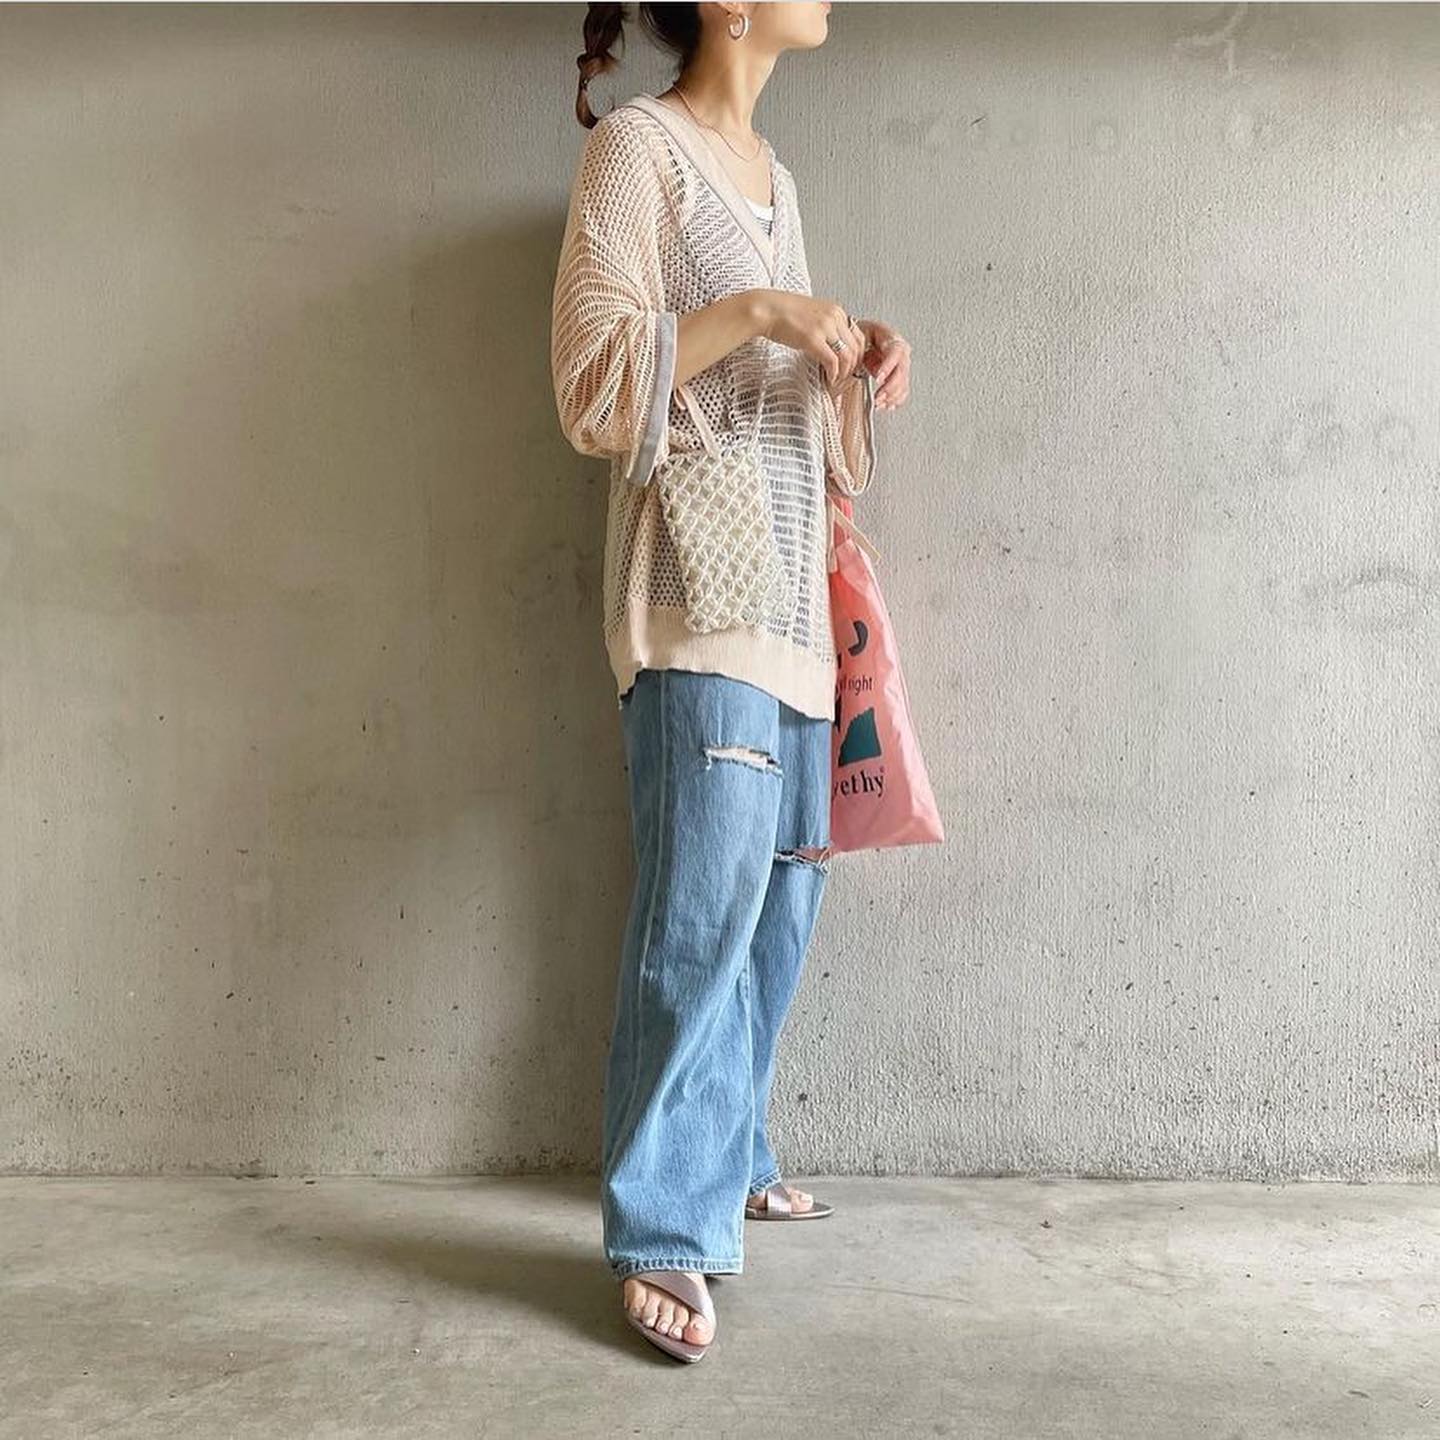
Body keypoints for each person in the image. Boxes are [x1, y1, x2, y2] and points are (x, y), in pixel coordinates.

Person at [550, 0, 912, 1362]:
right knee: (698, 915)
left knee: (776, 911)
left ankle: (732, 1152)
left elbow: (785, 416)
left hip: (793, 609)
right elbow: (593, 385)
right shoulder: (637, 153)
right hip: (696, 599)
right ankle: (663, 1227)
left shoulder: (778, 180)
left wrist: (851, 361)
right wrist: (762, 310)